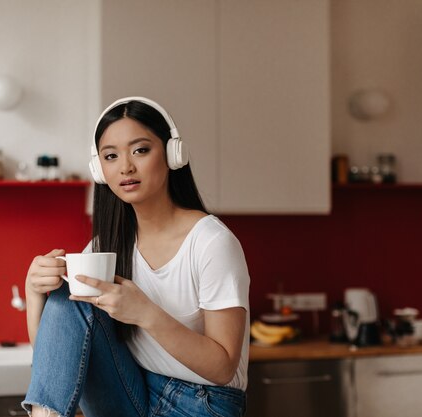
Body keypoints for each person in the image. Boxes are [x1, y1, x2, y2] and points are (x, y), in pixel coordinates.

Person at [22, 97, 251, 417]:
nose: (125, 166)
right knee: (66, 297)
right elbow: (58, 365)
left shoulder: (211, 242)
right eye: (111, 156)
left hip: (203, 402)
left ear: (172, 154)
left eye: (140, 150)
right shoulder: (106, 245)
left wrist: (145, 313)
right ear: (99, 170)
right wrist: (34, 294)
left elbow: (224, 367)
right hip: (132, 389)